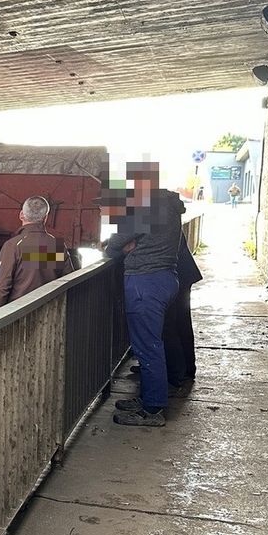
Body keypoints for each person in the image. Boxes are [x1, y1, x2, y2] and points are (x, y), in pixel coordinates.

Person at [103, 173, 185, 427]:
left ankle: (152, 409)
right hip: (165, 277)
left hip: (145, 283)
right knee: (151, 343)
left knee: (148, 347)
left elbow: (113, 244)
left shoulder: (146, 209)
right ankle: (148, 398)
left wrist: (123, 246)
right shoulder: (169, 205)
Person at [0, 196, 77, 309]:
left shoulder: (13, 246)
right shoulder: (57, 246)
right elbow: (68, 282)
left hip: (18, 315)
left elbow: (1, 288)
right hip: (50, 313)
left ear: (21, 215)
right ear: (45, 218)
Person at [163, 236, 202, 387]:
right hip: (180, 271)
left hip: (176, 272)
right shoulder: (168, 212)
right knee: (180, 322)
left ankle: (179, 371)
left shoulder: (155, 212)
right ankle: (185, 369)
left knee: (172, 324)